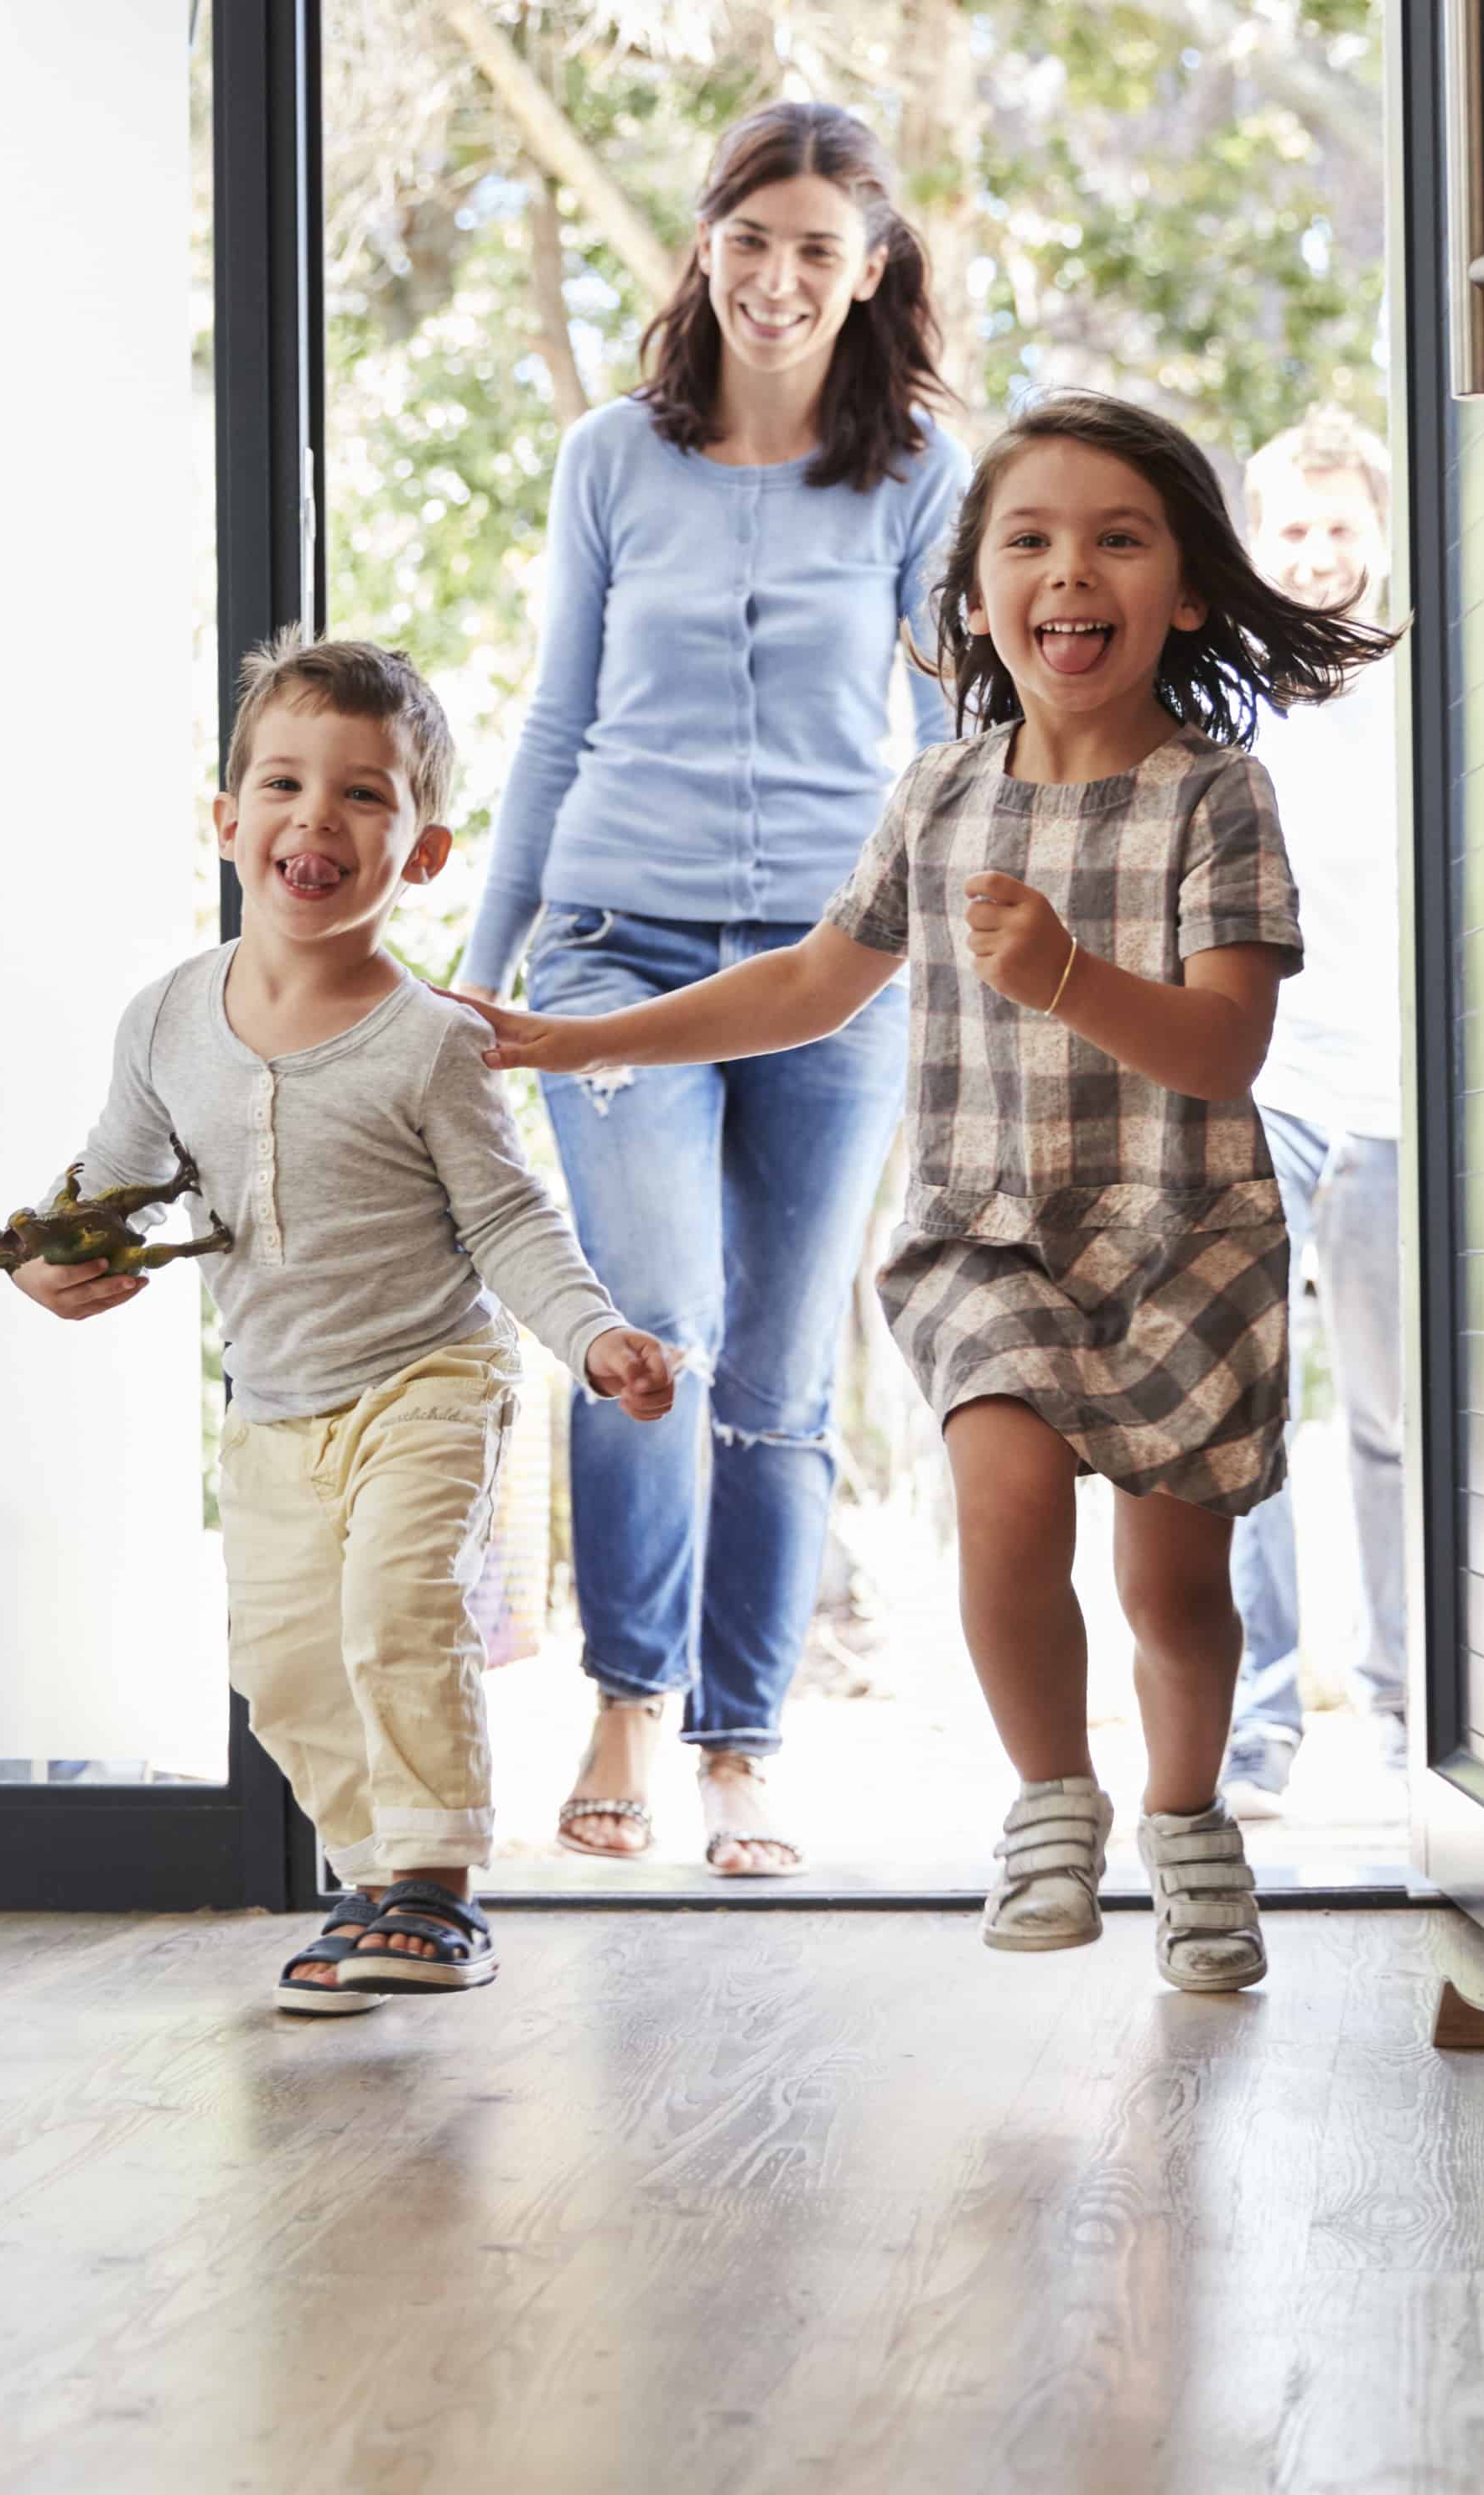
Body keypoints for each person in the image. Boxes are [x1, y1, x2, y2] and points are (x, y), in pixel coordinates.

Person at [468, 394, 1396, 1990]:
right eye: (1026, 540)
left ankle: (1188, 1824)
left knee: (1175, 1588)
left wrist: (1067, 975)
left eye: (1119, 538)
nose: (1069, 571)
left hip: (1186, 1237)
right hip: (992, 1235)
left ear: (1183, 587)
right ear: (972, 597)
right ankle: (1052, 1800)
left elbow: (1227, 1048)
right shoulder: (940, 796)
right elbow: (813, 985)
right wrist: (581, 1031)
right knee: (1006, 1506)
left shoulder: (1217, 797)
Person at [11, 630, 679, 2014]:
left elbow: (507, 1221)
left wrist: (594, 1336)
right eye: (283, 784)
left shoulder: (433, 1040)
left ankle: (437, 1893)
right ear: (227, 823)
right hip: (270, 1404)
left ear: (422, 855)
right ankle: (374, 1879)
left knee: (396, 1609)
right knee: (286, 1662)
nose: (317, 815)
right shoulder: (163, 1021)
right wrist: (48, 1257)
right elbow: (114, 1180)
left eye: (366, 795)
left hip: (425, 1376)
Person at [453, 100, 971, 1878]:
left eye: (817, 250)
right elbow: (555, 719)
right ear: (705, 245)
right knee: (648, 1329)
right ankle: (624, 1703)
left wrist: (962, 963)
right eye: (750, 240)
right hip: (613, 948)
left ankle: (742, 1743)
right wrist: (477, 972)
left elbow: (949, 747)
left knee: (778, 1363)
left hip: (838, 970)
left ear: (870, 269)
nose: (776, 278)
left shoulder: (919, 479)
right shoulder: (615, 456)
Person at [1217, 410, 1413, 1816]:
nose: (1321, 552)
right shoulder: (1227, 708)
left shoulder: (1429, 686)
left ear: (1383, 537)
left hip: (1402, 1092)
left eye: (1344, 526)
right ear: (1256, 540)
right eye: (1294, 528)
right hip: (1264, 1084)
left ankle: (1415, 1708)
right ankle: (1260, 1723)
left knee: (1399, 1419)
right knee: (1250, 1414)